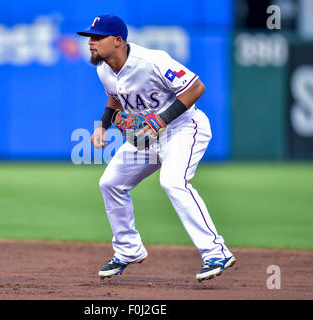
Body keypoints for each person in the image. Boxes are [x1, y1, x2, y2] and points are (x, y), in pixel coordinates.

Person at [77, 14, 236, 282]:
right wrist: (103, 125)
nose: (91, 42)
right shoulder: (103, 69)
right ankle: (128, 250)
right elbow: (115, 97)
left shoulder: (152, 60)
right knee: (111, 183)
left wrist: (161, 120)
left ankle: (216, 252)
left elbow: (197, 87)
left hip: (183, 129)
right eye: (89, 37)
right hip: (147, 137)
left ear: (118, 41)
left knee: (173, 182)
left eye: (97, 37)